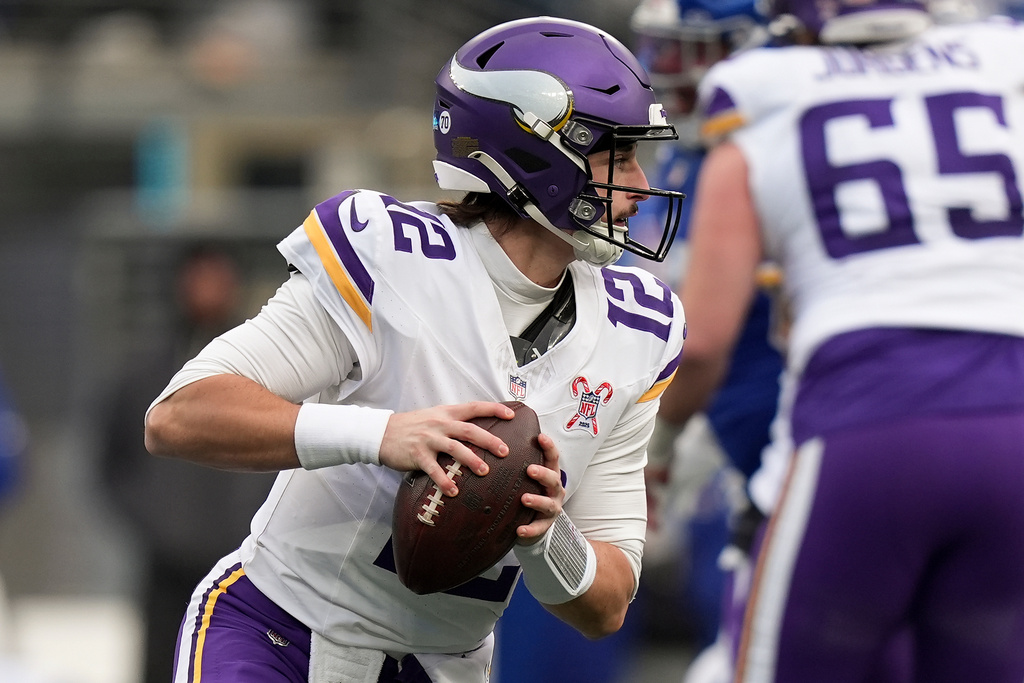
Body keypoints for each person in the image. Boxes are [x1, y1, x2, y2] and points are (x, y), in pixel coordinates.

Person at [143, 16, 688, 683]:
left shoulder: (640, 325)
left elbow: (607, 602)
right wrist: (384, 434)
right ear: (536, 152)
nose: (636, 186)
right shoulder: (393, 257)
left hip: (441, 670)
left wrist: (548, 535)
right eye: (617, 156)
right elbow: (179, 415)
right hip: (277, 636)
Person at [657, 1, 1024, 681]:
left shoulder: (766, 91)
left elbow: (703, 341)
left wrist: (652, 453)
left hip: (867, 426)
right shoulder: (1004, 63)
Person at [100, 245, 277, 683]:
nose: (208, 290)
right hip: (167, 570)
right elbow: (110, 465)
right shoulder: (144, 375)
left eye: (218, 277)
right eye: (199, 277)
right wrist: (160, 526)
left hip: (249, 564)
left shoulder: (271, 372)